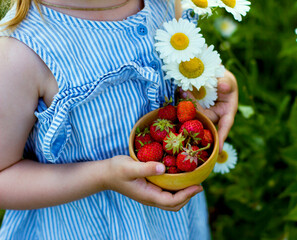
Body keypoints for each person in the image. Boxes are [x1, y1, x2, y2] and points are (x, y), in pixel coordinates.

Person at [0, 0, 238, 239]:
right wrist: (102, 176)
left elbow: (184, 60)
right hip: (84, 225)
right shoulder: (18, 55)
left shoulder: (163, 3)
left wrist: (212, 81)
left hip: (171, 221)